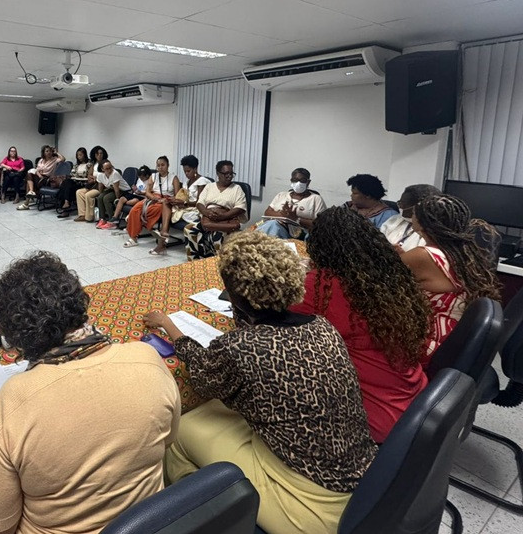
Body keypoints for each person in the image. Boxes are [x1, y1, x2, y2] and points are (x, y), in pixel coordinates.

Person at [144, 232, 377, 534]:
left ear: (234, 294)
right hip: (363, 477)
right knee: (219, 413)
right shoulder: (323, 327)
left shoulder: (241, 347)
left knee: (182, 427)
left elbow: (203, 375)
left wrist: (167, 324)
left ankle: (204, 516)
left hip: (310, 503)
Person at [0, 252, 180, 534]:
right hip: (148, 523)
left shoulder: (14, 399)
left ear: (14, 338)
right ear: (79, 305)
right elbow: (170, 439)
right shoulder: (147, 357)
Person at [289, 207, 432, 443]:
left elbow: (275, 315)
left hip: (373, 419)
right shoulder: (392, 276)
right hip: (413, 398)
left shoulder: (322, 286)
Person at [400, 194, 502, 366]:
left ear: (422, 223)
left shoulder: (423, 255)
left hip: (426, 343)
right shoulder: (466, 252)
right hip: (450, 338)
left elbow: (379, 277)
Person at [183, 160, 247, 260]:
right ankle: (195, 261)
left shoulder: (237, 189)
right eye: (225, 173)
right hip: (209, 218)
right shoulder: (210, 186)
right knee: (189, 229)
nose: (229, 176)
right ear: (218, 173)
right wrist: (206, 212)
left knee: (217, 236)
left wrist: (223, 216)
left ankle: (219, 265)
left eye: (231, 173)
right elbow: (200, 203)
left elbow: (241, 208)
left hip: (226, 220)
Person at [149, 155, 210, 256]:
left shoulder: (202, 181)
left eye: (188, 171)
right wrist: (175, 200)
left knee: (167, 214)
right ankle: (164, 233)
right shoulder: (187, 182)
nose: (186, 174)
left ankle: (161, 243)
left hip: (195, 210)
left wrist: (183, 203)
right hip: (185, 207)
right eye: (185, 171)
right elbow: (183, 197)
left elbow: (200, 203)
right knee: (166, 202)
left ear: (195, 168)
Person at [123, 156, 180, 248]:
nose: (160, 167)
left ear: (168, 165)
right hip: (153, 198)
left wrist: (166, 200)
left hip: (166, 201)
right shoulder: (153, 176)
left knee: (152, 210)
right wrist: (155, 198)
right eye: (158, 165)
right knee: (134, 210)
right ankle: (133, 238)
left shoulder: (174, 178)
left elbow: (177, 196)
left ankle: (147, 225)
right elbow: (148, 192)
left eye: (163, 165)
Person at [259, 168, 327, 239]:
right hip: (278, 226)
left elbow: (320, 224)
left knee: (272, 228)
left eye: (302, 180)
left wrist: (297, 219)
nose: (298, 183)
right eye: (295, 180)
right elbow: (267, 212)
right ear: (291, 181)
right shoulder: (281, 195)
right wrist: (283, 215)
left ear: (308, 182)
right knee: (272, 225)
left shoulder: (316, 199)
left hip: (300, 233)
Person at [380, 184, 440, 251]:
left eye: (403, 205)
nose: (400, 207)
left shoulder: (433, 234)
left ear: (418, 208)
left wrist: (402, 255)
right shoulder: (393, 220)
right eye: (399, 203)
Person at [76, 159, 129, 225]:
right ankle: (102, 219)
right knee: (100, 197)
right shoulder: (100, 175)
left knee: (106, 198)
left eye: (110, 168)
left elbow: (117, 190)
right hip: (111, 189)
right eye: (107, 169)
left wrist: (117, 200)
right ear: (102, 169)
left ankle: (112, 220)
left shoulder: (115, 174)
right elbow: (100, 187)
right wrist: (101, 195)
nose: (109, 170)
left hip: (123, 191)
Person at [103, 166, 151, 230]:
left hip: (142, 197)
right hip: (135, 194)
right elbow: (136, 187)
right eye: (139, 177)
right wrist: (134, 188)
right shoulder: (139, 179)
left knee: (134, 201)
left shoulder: (150, 181)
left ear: (147, 176)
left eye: (142, 177)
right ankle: (115, 217)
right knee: (122, 198)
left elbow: (150, 193)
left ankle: (122, 204)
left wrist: (141, 193)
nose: (140, 178)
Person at [17, 146, 65, 211]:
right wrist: (39, 175)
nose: (49, 153)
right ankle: (31, 193)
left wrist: (56, 152)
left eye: (50, 151)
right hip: (39, 177)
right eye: (47, 151)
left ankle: (27, 202)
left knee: (29, 179)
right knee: (29, 174)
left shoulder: (54, 159)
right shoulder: (41, 160)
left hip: (47, 179)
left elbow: (63, 159)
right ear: (44, 153)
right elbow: (37, 170)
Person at [57, 147, 92, 218]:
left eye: (80, 155)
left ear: (84, 155)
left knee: (66, 186)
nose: (79, 157)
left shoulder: (89, 164)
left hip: (83, 184)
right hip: (75, 182)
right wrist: (69, 176)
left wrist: (79, 177)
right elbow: (72, 174)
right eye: (78, 155)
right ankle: (66, 203)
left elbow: (88, 176)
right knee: (67, 182)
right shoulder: (77, 165)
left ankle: (65, 208)